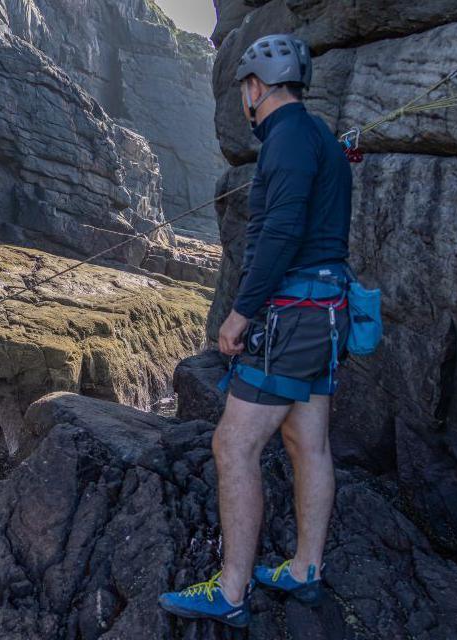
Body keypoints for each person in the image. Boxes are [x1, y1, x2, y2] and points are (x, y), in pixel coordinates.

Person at [158, 34, 353, 627]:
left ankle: (233, 590)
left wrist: (241, 312)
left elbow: (280, 234)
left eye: (245, 87)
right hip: (326, 314)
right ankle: (305, 570)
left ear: (253, 86)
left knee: (233, 444)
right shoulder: (318, 137)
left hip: (292, 315)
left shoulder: (288, 138)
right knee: (306, 442)